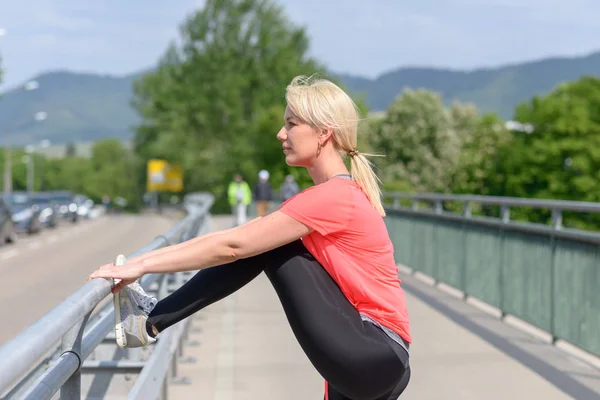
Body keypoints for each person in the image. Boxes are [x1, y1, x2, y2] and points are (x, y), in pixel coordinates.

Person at [89, 75, 412, 400]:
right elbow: (237, 240)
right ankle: (149, 321)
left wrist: (139, 265)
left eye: (291, 124)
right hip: (376, 356)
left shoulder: (333, 197)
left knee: (270, 245)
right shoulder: (335, 194)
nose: (281, 134)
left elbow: (232, 245)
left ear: (323, 132)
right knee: (266, 239)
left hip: (370, 352)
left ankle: (149, 321)